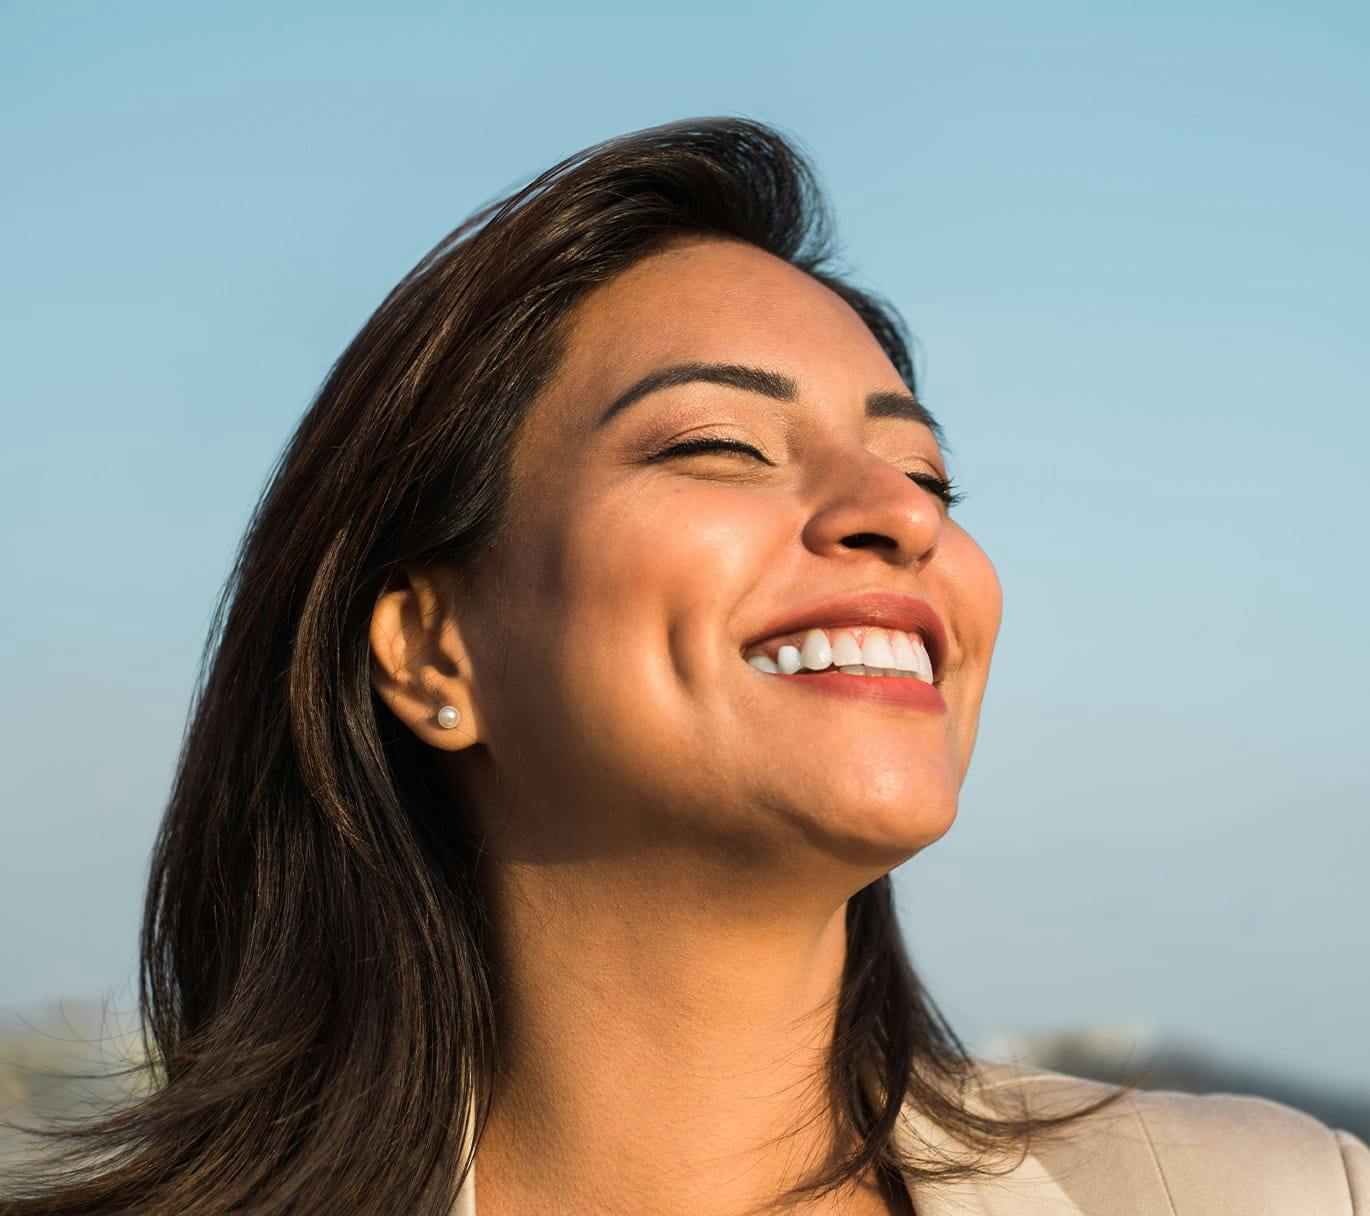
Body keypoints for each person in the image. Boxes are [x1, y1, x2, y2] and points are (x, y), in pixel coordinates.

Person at [4, 117, 1365, 1216]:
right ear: (432, 653)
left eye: (923, 471)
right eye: (715, 445)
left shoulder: (1272, 1197)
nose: (897, 515)